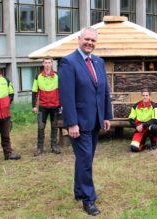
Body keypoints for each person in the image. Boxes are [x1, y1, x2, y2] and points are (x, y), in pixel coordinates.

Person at [59, 27, 112, 216]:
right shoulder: (68, 62)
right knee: (85, 160)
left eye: (93, 40)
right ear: (79, 39)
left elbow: (104, 90)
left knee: (85, 159)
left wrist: (106, 115)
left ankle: (79, 191)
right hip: (79, 123)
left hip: (96, 120)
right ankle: (89, 200)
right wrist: (71, 123)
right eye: (87, 39)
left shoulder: (99, 61)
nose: (90, 43)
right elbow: (67, 96)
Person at [31, 56, 61, 156]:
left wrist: (61, 105)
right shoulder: (38, 76)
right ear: (43, 64)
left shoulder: (57, 76)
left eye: (49, 62)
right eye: (46, 63)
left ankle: (54, 146)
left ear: (52, 63)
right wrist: (34, 106)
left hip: (55, 106)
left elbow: (61, 91)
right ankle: (40, 148)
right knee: (40, 127)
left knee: (54, 126)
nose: (47, 64)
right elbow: (35, 92)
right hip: (43, 106)